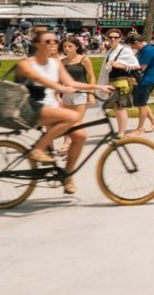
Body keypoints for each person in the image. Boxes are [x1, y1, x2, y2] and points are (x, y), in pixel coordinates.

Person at [16, 30, 106, 194]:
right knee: (73, 116)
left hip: (50, 108)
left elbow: (71, 81)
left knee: (81, 136)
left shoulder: (56, 64)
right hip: (30, 108)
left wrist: (97, 87)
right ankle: (38, 149)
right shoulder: (26, 63)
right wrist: (61, 88)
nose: (53, 44)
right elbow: (39, 79)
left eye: (55, 41)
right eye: (47, 41)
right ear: (37, 44)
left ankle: (67, 175)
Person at [97, 29, 141, 138]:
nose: (113, 39)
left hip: (121, 82)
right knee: (116, 109)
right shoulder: (111, 51)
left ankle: (121, 133)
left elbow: (136, 65)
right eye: (110, 37)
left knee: (121, 108)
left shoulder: (125, 50)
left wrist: (119, 65)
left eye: (115, 37)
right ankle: (120, 131)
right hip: (111, 82)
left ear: (120, 38)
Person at [128, 32, 154, 134]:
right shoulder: (145, 50)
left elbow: (141, 68)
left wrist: (126, 68)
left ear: (136, 42)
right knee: (141, 103)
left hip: (145, 81)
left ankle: (139, 128)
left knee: (141, 105)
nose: (133, 48)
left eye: (132, 46)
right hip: (144, 80)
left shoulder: (147, 51)